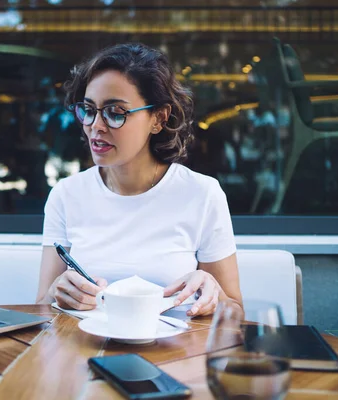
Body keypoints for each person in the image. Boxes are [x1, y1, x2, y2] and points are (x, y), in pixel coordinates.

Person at [36, 43, 242, 317]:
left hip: (176, 355)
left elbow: (237, 315)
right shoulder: (67, 194)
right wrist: (56, 292)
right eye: (88, 109)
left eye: (115, 112)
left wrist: (212, 289)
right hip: (85, 352)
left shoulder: (201, 194)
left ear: (158, 118)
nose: (95, 126)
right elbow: (40, 308)